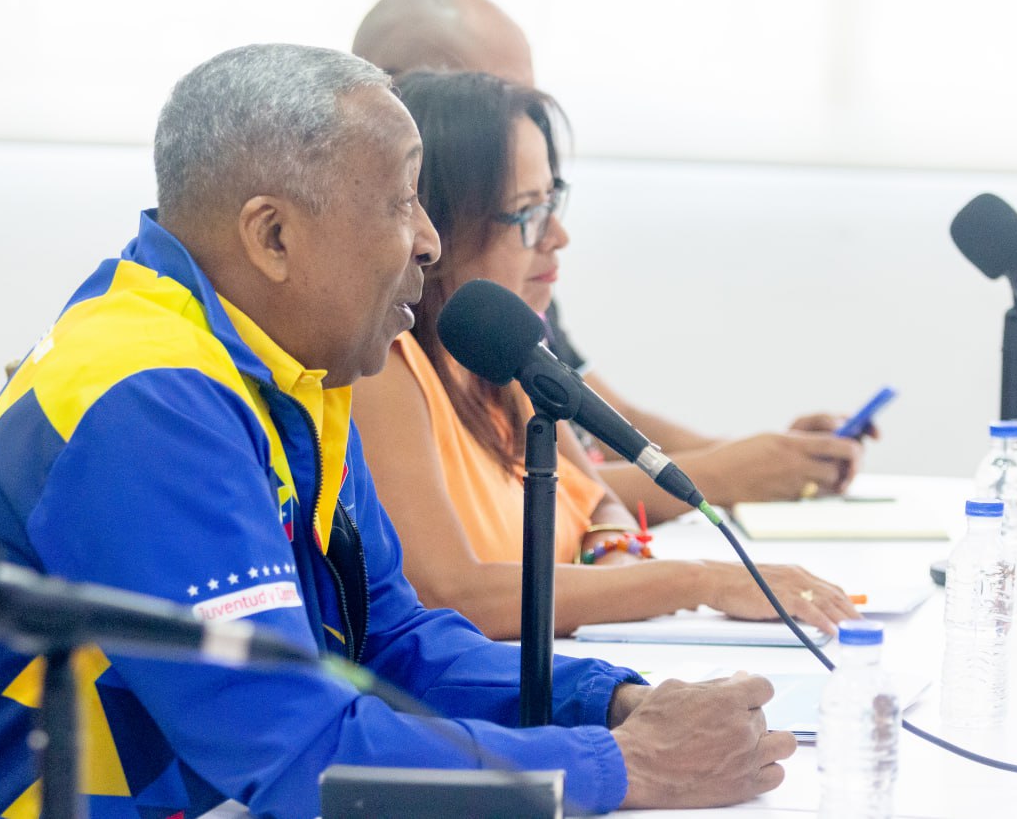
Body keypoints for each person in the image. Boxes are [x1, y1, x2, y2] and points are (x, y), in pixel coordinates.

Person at [0, 45, 795, 818]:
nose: (429, 240)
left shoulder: (281, 368)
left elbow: (388, 642)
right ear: (272, 236)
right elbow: (302, 757)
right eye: (401, 201)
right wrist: (624, 766)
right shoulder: (147, 398)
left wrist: (615, 701)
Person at [351, 70, 858, 641]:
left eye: (552, 202)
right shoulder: (385, 368)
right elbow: (455, 595)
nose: (557, 236)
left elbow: (600, 503)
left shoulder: (504, 358)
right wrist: (698, 581)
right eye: (527, 213)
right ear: (437, 226)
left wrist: (614, 556)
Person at [353, 0, 869, 524]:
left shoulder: (510, 281)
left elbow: (602, 430)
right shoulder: (385, 344)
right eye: (489, 93)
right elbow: (524, 495)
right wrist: (727, 474)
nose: (516, 117)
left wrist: (771, 456)